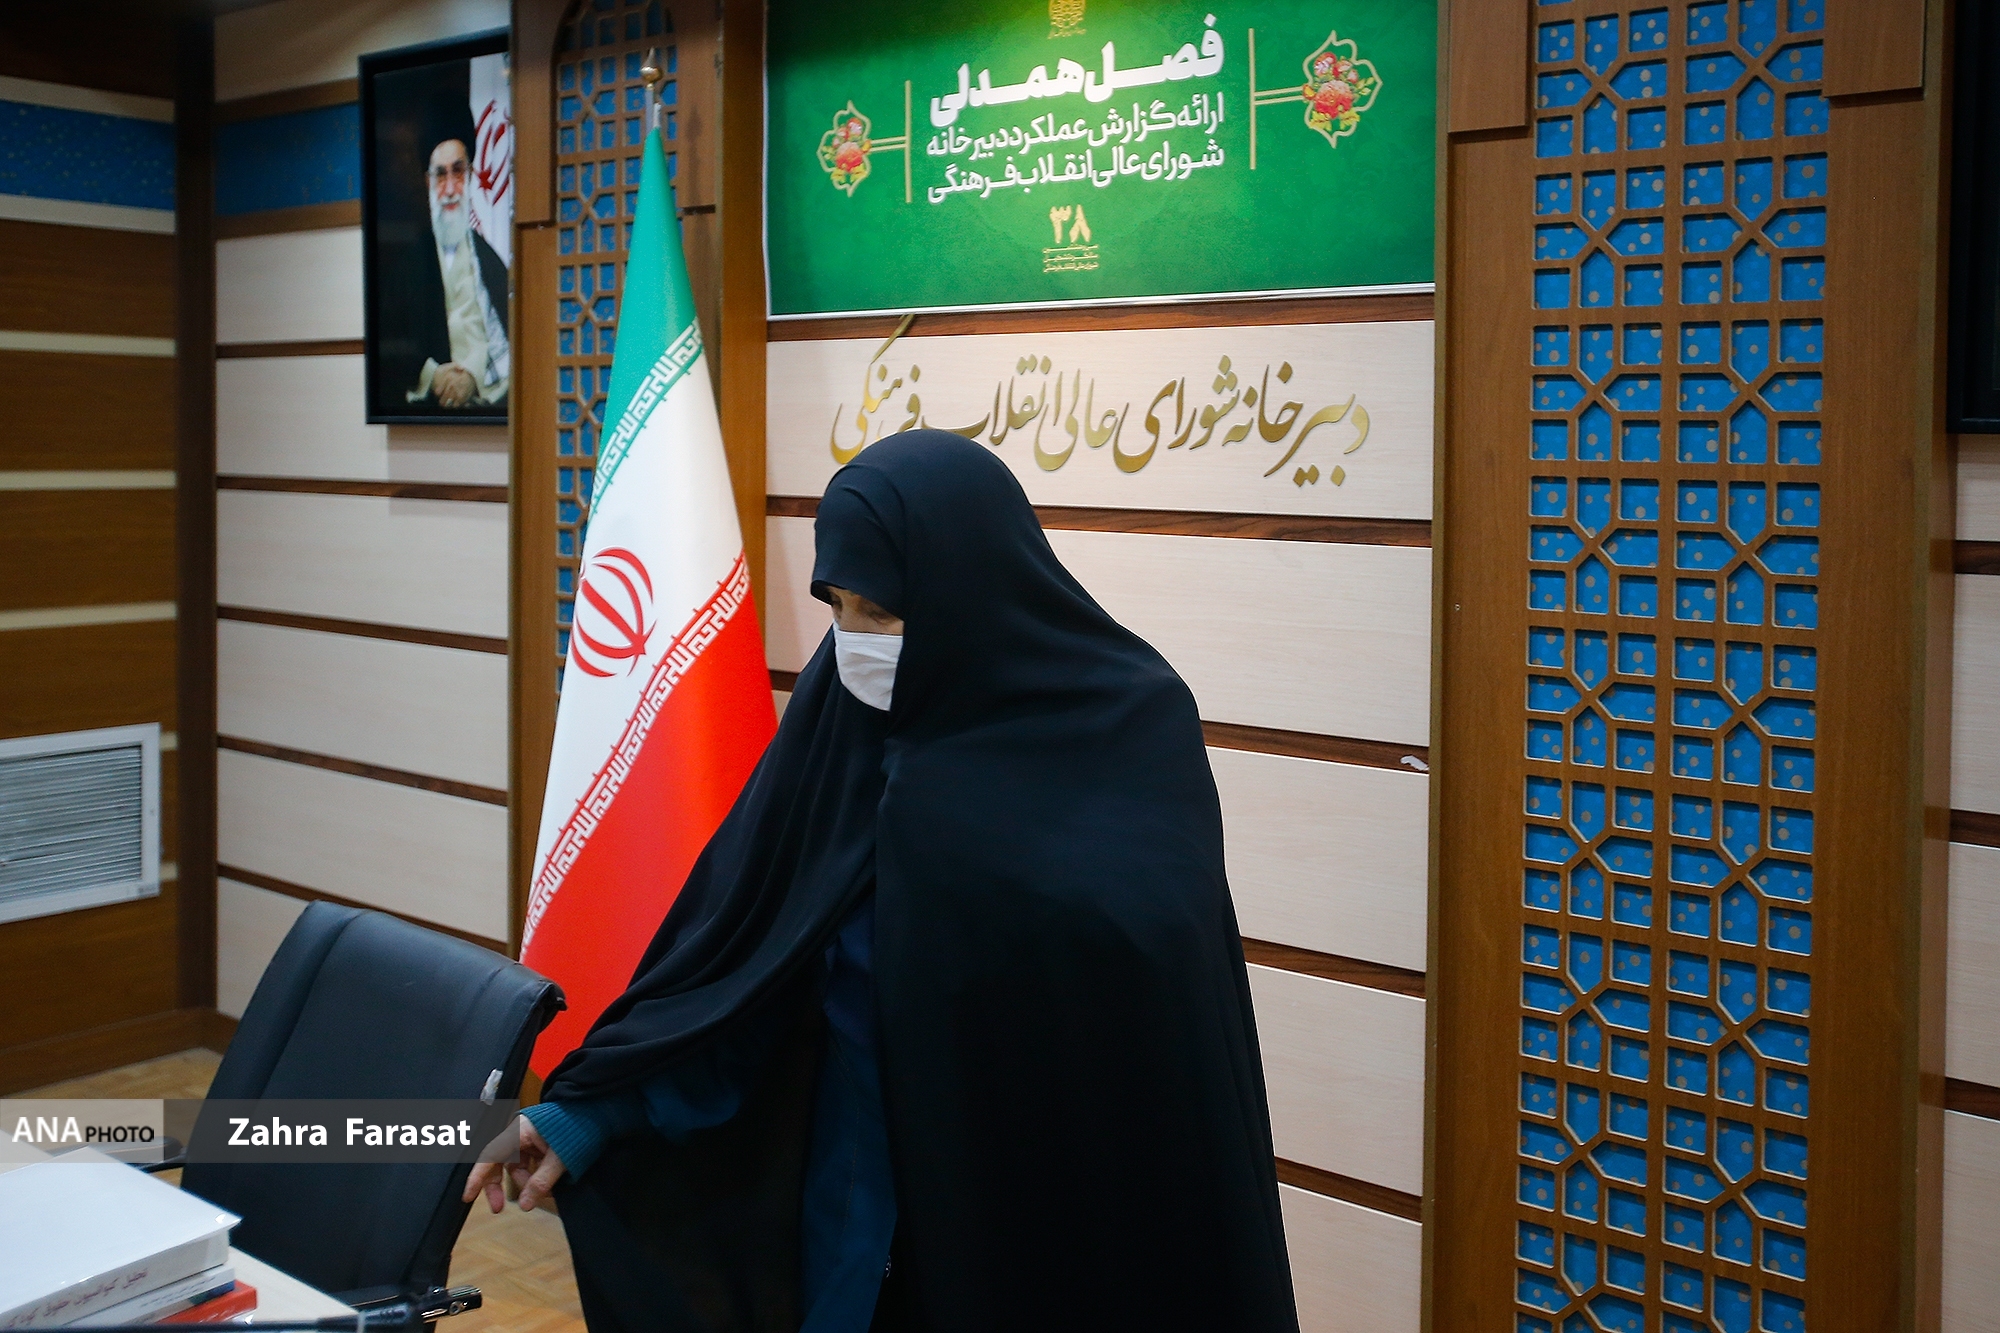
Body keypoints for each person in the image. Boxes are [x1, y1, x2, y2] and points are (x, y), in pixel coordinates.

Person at [465, 430, 1298, 1332]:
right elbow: (756, 975)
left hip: (1056, 1231)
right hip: (859, 1230)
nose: (854, 640)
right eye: (838, 607)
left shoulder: (1128, 725)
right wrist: (590, 1113)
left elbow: (1157, 1006)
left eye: (882, 612)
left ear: (966, 586)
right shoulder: (841, 732)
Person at [377, 137, 510, 410]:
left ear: (470, 176)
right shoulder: (406, 265)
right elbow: (390, 345)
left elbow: (510, 342)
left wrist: (473, 377)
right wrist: (433, 375)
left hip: (488, 403)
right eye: (440, 175)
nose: (450, 189)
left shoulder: (490, 261)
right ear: (428, 182)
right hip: (428, 409)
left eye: (458, 172)